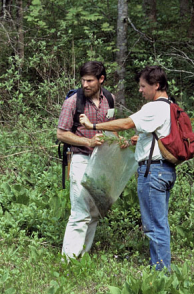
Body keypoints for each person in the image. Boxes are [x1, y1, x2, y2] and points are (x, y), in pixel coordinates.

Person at [80, 65, 175, 270]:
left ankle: (161, 275)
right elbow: (160, 134)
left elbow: (124, 124)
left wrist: (93, 126)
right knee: (161, 223)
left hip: (153, 172)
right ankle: (162, 270)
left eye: (143, 86)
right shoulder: (170, 106)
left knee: (154, 227)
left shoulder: (154, 107)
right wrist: (140, 139)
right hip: (166, 170)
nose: (140, 90)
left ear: (156, 85)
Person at [56, 61, 116, 260]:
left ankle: (83, 256)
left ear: (101, 79)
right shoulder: (73, 101)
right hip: (81, 157)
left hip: (102, 161)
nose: (85, 84)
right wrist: (87, 140)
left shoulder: (110, 99)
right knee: (80, 210)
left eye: (90, 80)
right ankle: (68, 260)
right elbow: (61, 134)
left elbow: (111, 127)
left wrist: (119, 141)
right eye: (83, 80)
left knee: (95, 210)